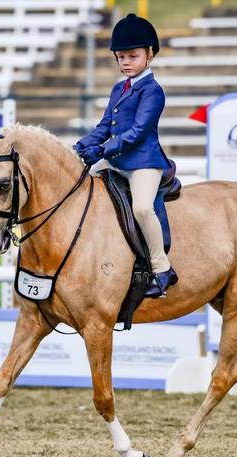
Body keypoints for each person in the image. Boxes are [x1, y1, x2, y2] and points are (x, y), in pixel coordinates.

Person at [73, 13, 178, 298]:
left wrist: (102, 150)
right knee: (77, 188)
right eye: (121, 57)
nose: (126, 63)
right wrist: (81, 146)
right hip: (118, 162)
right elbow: (105, 126)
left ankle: (161, 268)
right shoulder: (119, 88)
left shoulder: (153, 91)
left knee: (143, 208)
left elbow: (138, 132)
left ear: (150, 54)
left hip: (144, 162)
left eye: (132, 56)